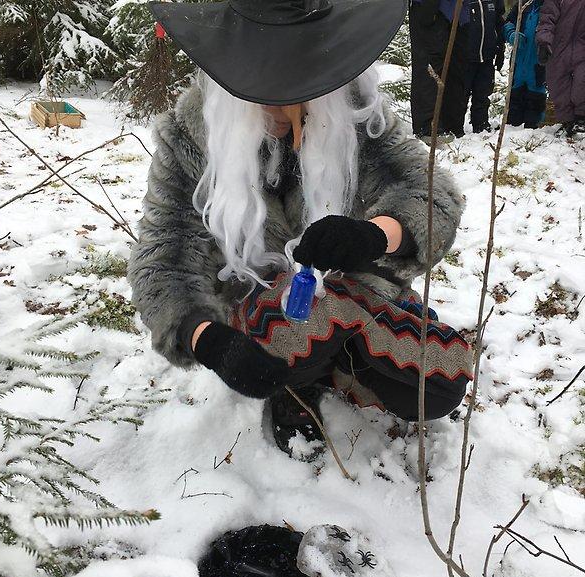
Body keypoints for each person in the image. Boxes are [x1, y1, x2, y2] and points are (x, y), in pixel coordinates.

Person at [129, 0, 473, 460]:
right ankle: (299, 384)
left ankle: (344, 354)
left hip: (355, 289)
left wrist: (376, 235)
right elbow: (163, 254)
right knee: (286, 330)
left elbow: (428, 193)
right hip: (260, 302)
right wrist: (205, 338)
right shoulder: (190, 136)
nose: (279, 100)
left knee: (438, 389)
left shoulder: (356, 110)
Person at [409, 0, 471, 142]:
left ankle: (450, 122)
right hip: (432, 9)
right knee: (430, 67)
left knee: (455, 66)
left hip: (459, 12)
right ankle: (428, 126)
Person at [536, 0, 585, 137]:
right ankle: (567, 120)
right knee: (558, 83)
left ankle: (581, 117)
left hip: (582, 47)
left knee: (582, 81)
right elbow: (547, 18)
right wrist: (544, 41)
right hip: (559, 46)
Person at [464, 0, 506, 133]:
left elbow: (499, 22)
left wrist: (500, 49)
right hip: (465, 55)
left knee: (483, 92)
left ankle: (481, 124)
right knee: (460, 94)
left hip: (487, 54)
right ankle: (455, 126)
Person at [504, 0, 546, 128]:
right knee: (513, 121)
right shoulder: (523, 4)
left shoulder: (550, 7)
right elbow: (508, 23)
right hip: (518, 64)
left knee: (532, 123)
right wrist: (511, 33)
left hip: (538, 66)